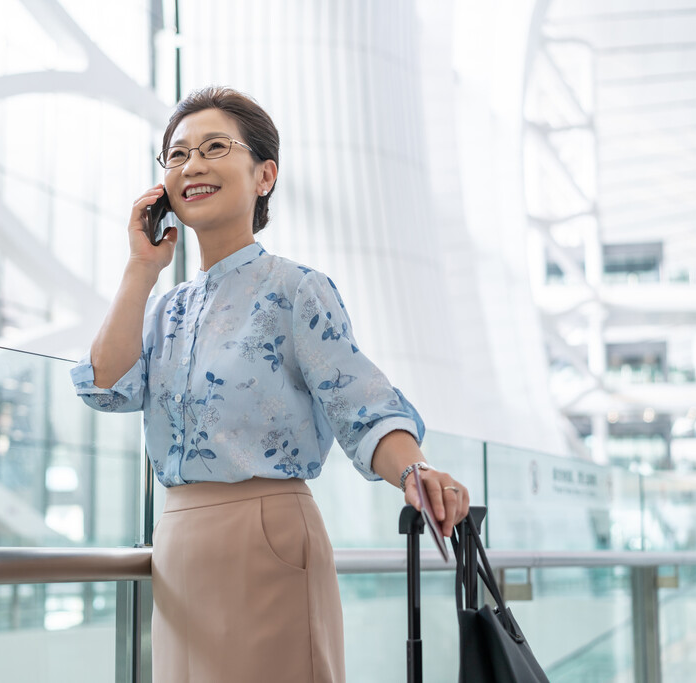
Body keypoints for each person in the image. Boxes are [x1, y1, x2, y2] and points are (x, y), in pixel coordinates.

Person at [71, 86, 470, 683]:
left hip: (268, 539)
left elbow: (362, 404)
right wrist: (141, 268)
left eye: (214, 147)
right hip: (177, 545)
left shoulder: (295, 289)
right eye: (176, 156)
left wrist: (415, 471)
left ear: (264, 175)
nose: (193, 165)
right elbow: (105, 386)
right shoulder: (165, 308)